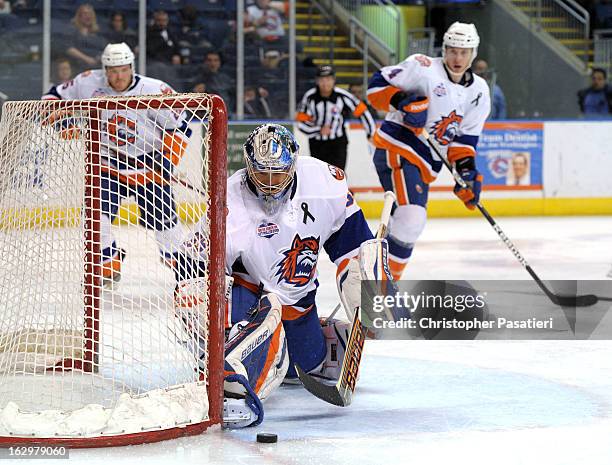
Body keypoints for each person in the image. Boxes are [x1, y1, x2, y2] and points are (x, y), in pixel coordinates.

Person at [174, 124, 393, 427]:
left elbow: (353, 245)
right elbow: (192, 263)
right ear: (248, 167)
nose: (270, 184)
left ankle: (317, 336)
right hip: (251, 293)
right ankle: (231, 379)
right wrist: (209, 315)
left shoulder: (323, 182)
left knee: (305, 368)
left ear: (294, 165)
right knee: (253, 351)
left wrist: (371, 295)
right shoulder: (230, 201)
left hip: (299, 300)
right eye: (261, 174)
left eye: (278, 174)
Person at [42, 42, 192, 286]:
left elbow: (182, 126)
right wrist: (63, 122)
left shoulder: (155, 89)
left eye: (123, 69)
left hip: (148, 169)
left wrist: (167, 159)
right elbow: (53, 96)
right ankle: (108, 265)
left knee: (168, 232)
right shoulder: (88, 81)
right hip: (107, 167)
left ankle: (188, 279)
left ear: (131, 67)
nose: (118, 76)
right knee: (94, 219)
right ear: (105, 69)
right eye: (112, 70)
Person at [367, 22, 490, 280]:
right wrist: (401, 101)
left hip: (425, 164)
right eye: (453, 50)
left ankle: (371, 279)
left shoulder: (479, 91)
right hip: (398, 146)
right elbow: (376, 85)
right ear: (444, 49)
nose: (457, 58)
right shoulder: (422, 67)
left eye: (464, 52)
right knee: (412, 218)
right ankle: (380, 290)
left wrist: (466, 173)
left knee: (406, 225)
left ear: (473, 54)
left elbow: (463, 142)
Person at [297, 65, 376, 171]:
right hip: (317, 144)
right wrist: (318, 130)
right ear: (317, 81)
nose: (325, 83)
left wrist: (371, 133)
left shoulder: (342, 96)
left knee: (337, 176)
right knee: (318, 176)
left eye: (328, 79)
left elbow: (363, 112)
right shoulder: (310, 97)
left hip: (338, 143)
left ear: (334, 80)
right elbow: (301, 122)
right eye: (322, 80)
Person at [61, 3, 107, 74]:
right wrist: (87, 59)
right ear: (79, 16)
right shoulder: (72, 30)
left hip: (97, 68)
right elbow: (68, 48)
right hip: (78, 67)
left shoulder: (98, 32)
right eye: (85, 14)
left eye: (90, 14)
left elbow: (105, 48)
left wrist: (100, 57)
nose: (88, 16)